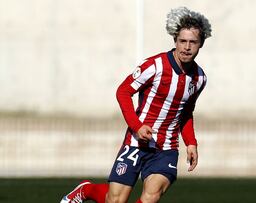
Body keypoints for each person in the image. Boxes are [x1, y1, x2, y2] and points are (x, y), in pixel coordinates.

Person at [60, 6, 212, 203]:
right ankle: (86, 190)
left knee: (152, 195)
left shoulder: (199, 78)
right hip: (136, 142)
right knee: (114, 200)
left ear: (201, 44)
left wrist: (191, 142)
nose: (186, 47)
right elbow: (123, 92)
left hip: (166, 147)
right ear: (175, 40)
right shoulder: (154, 66)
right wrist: (137, 126)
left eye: (193, 42)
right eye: (182, 41)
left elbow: (186, 113)